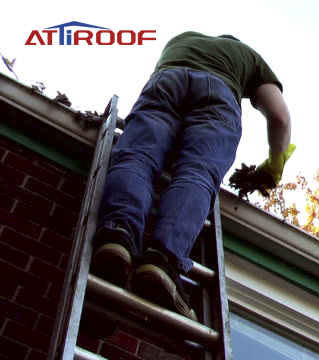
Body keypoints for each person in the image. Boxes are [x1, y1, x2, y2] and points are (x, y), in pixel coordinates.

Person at [89, 32, 295, 321]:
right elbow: (280, 116)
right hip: (217, 95)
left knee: (138, 156)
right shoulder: (248, 56)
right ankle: (163, 258)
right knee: (196, 172)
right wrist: (275, 166)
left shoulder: (180, 40)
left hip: (166, 81)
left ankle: (117, 232)